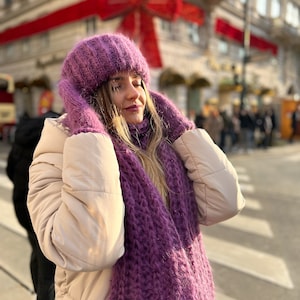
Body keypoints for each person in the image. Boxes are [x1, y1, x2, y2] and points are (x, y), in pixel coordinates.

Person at [27, 33, 245, 300]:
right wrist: (88, 132)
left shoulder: (161, 143)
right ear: (88, 97)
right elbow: (93, 247)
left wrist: (180, 127)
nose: (135, 93)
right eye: (117, 85)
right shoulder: (59, 149)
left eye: (138, 81)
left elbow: (224, 202)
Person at [6, 110, 59, 299]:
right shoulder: (53, 140)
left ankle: (37, 288)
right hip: (42, 210)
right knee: (49, 271)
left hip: (22, 206)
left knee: (36, 251)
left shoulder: (22, 137)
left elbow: (10, 170)